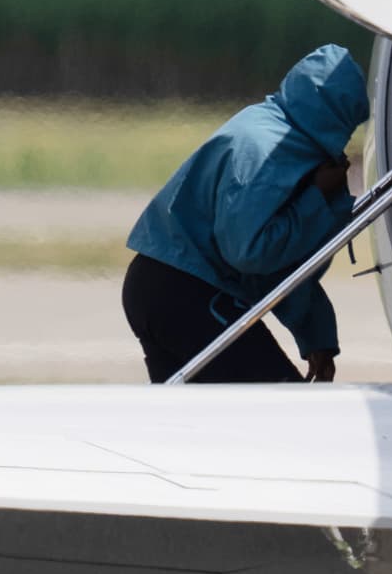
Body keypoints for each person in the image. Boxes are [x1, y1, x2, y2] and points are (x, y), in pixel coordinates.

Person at [121, 42, 369, 385]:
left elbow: (286, 264)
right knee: (285, 410)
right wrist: (316, 198)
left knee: (189, 426)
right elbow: (250, 253)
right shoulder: (270, 149)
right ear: (338, 117)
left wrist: (316, 338)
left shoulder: (276, 131)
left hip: (157, 285)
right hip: (188, 292)